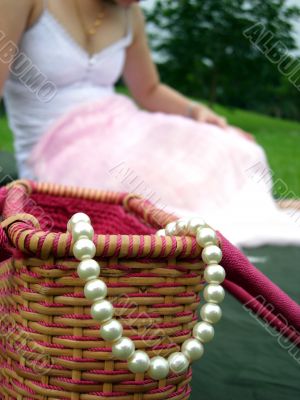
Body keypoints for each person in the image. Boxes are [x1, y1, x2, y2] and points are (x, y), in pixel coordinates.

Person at [0, 0, 299, 246]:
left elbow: (149, 90)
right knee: (143, 188)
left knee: (233, 148)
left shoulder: (131, 14)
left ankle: (262, 210)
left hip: (123, 123)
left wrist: (197, 113)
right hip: (59, 147)